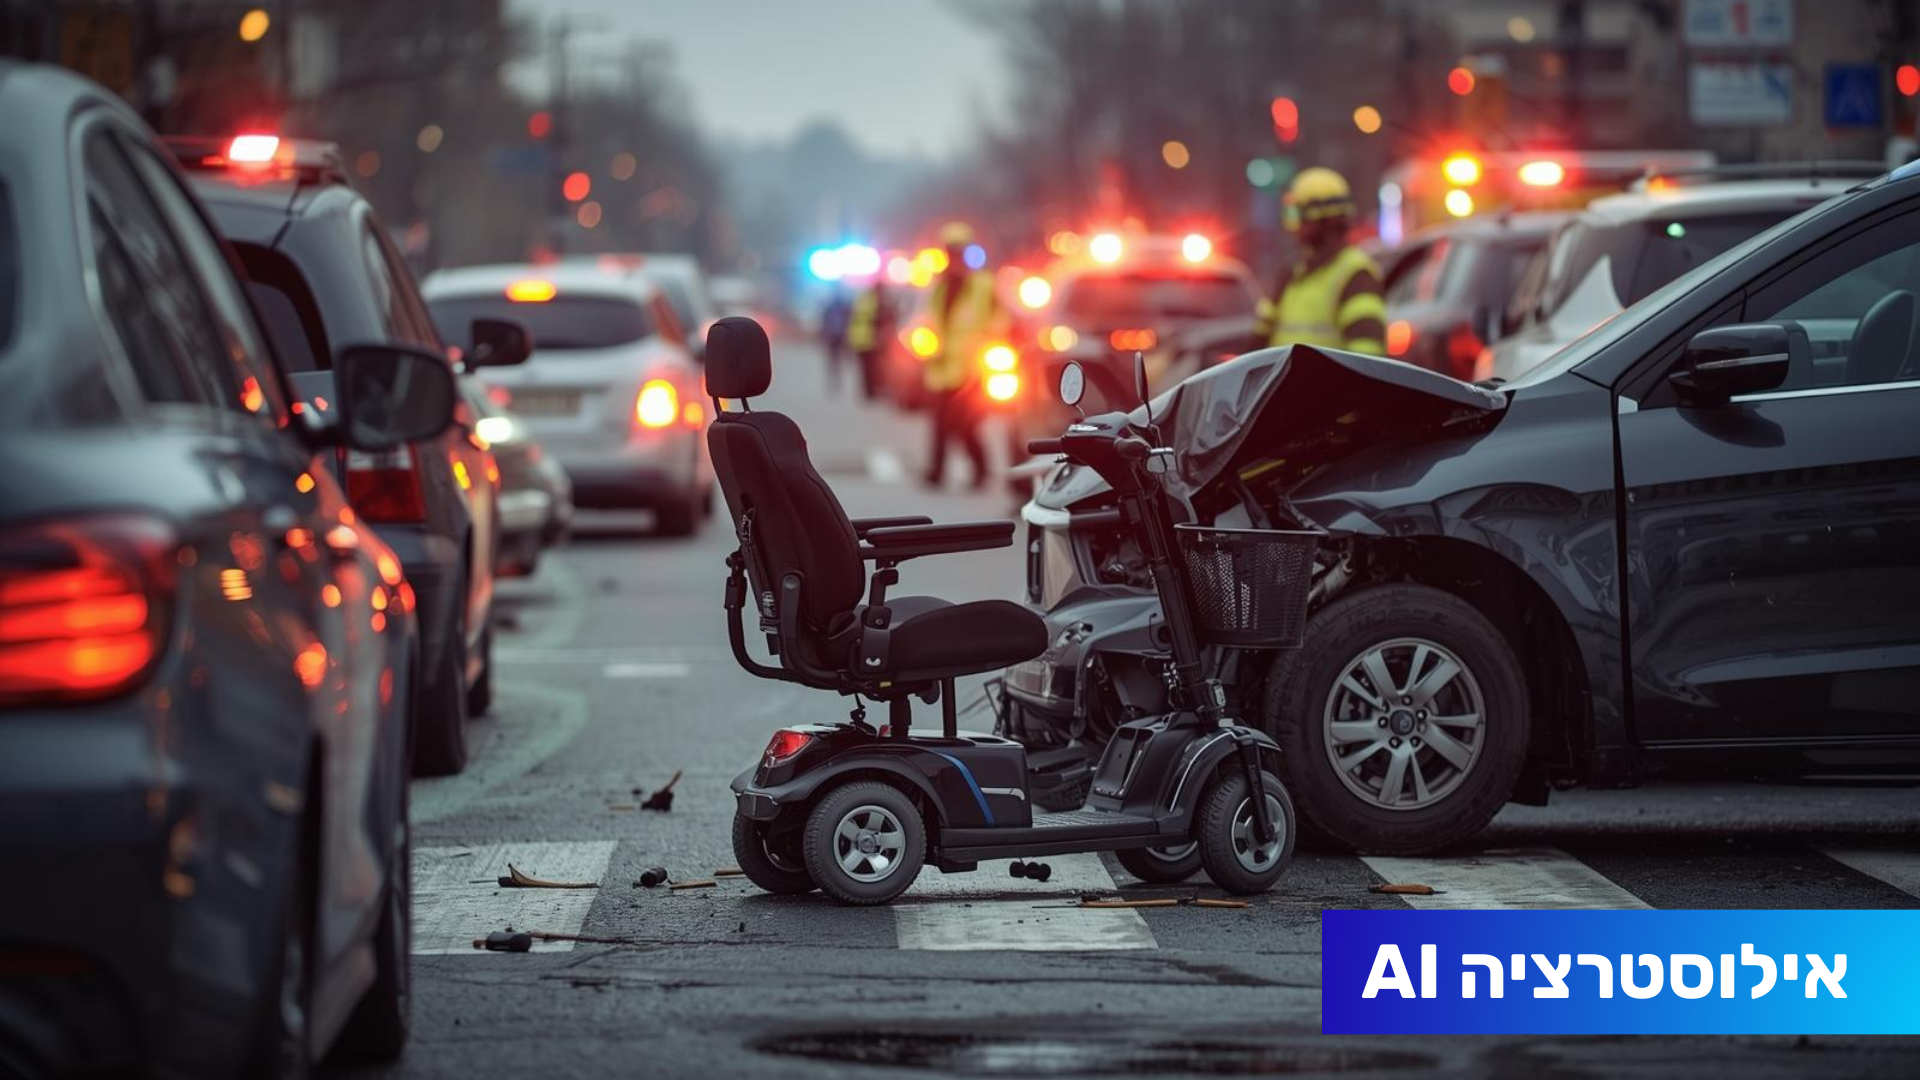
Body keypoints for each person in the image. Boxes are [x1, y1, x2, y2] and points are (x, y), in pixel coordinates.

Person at [1255, 167, 1386, 355]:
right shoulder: (1292, 273)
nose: (1294, 226)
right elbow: (1259, 336)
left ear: (1319, 218)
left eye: (1296, 214)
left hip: (1328, 386)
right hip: (1285, 384)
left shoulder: (1357, 275)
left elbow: (1368, 355)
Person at [922, 221, 1005, 489]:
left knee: (961, 424)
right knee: (942, 424)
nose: (953, 257)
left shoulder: (983, 284)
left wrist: (989, 343)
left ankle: (974, 469)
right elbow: (931, 324)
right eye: (950, 251)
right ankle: (940, 472)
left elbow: (1001, 319)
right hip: (943, 369)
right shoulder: (940, 286)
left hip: (973, 371)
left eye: (958, 251)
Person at [844, 278, 894, 401]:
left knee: (865, 368)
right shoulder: (876, 301)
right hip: (870, 341)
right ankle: (870, 392)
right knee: (871, 368)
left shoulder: (862, 299)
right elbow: (878, 320)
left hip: (859, 339)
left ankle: (868, 392)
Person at [819, 286, 853, 392]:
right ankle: (835, 382)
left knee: (836, 362)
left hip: (839, 337)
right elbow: (824, 323)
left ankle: (836, 381)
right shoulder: (836, 307)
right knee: (835, 362)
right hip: (835, 337)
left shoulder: (840, 307)